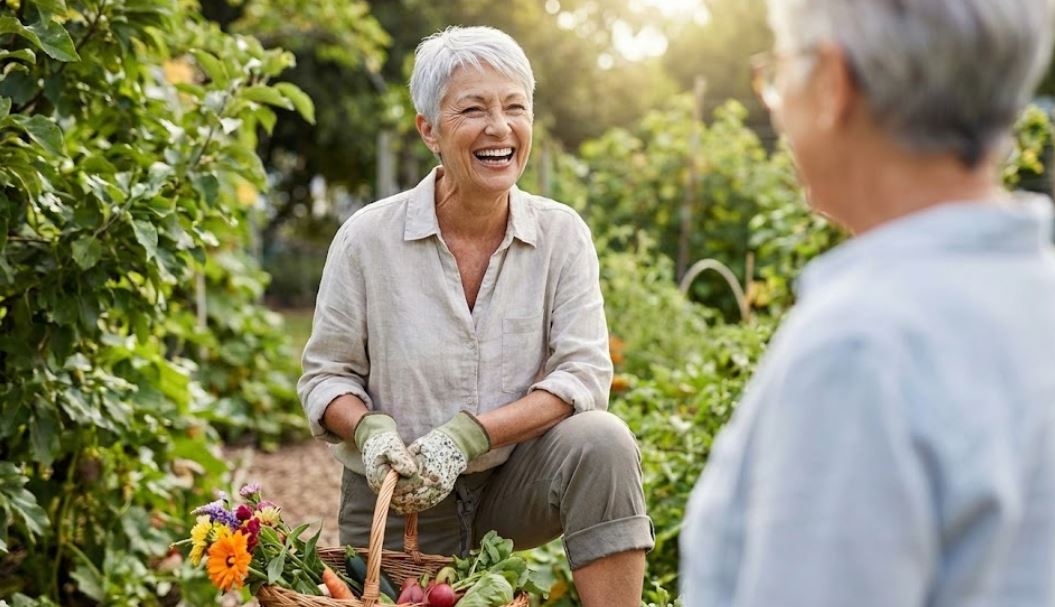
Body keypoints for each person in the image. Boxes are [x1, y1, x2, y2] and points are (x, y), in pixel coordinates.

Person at [680, 0, 1055, 605]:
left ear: (832, 83)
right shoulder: (1035, 296)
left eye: (779, 70)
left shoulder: (859, 350)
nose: (776, 103)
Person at [298, 25, 653, 606]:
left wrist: (470, 437)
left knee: (603, 442)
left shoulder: (561, 235)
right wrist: (369, 429)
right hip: (400, 497)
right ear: (429, 131)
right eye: (473, 109)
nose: (499, 128)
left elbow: (583, 374)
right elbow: (326, 376)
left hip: (514, 484)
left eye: (515, 107)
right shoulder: (368, 239)